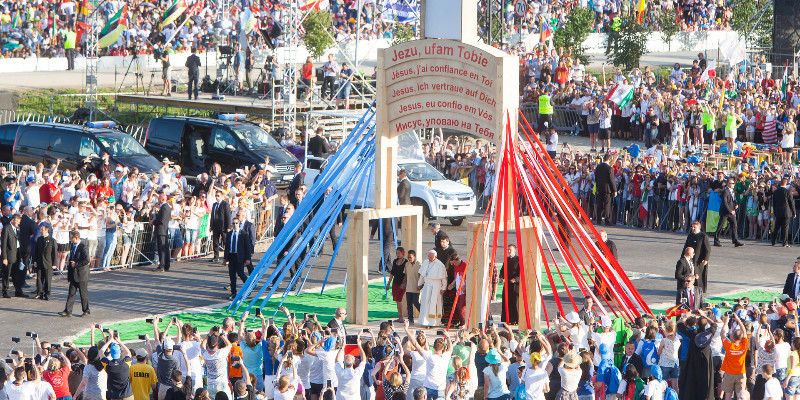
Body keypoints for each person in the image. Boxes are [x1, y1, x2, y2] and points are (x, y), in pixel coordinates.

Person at [59, 231, 90, 317]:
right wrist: (70, 262)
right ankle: (68, 310)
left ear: (76, 238)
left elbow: (86, 260)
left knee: (83, 293)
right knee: (71, 292)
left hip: (81, 274)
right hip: (73, 274)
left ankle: (86, 310)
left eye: (72, 238)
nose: (71, 240)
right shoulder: (73, 246)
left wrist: (76, 264)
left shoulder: (83, 247)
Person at [720, 313, 748, 400]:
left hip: (729, 373)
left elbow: (722, 334)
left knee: (728, 395)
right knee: (740, 396)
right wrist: (738, 320)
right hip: (740, 373)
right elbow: (744, 332)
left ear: (732, 336)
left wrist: (726, 321)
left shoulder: (729, 346)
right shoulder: (744, 345)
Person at [418, 249, 447, 328]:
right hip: (427, 286)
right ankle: (424, 321)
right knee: (425, 305)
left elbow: (444, 279)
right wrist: (419, 284)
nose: (429, 258)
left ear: (435, 257)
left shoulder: (440, 265)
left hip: (436, 287)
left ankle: (432, 323)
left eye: (431, 257)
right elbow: (422, 276)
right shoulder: (426, 262)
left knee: (433, 305)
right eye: (428, 256)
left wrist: (443, 288)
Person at [224, 218, 252, 300]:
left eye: (236, 223)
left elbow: (248, 247)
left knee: (241, 273)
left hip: (239, 257)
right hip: (231, 256)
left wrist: (248, 258)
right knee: (232, 275)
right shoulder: (229, 234)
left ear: (239, 224)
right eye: (233, 223)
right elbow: (227, 247)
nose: (235, 225)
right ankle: (233, 292)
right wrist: (225, 258)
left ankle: (248, 288)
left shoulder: (243, 234)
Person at [714, 178, 744, 247]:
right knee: (720, 226)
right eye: (732, 183)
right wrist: (730, 210)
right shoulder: (725, 191)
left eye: (734, 183)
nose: (733, 185)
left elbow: (734, 199)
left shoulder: (733, 191)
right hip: (725, 211)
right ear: (728, 184)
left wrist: (736, 204)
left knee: (734, 225)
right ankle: (716, 240)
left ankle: (735, 240)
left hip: (731, 211)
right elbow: (725, 202)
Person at [1, 214, 25, 298]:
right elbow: (3, 244)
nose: (18, 223)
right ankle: (5, 291)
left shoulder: (18, 229)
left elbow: (19, 242)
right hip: (9, 254)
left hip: (17, 254)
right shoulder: (7, 228)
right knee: (7, 273)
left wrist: (20, 256)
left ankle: (18, 290)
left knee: (17, 273)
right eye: (17, 221)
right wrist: (4, 257)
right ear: (13, 220)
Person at [683, 221, 711, 293]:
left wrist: (706, 259)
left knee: (699, 274)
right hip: (690, 258)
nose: (693, 228)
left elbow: (707, 248)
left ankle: (700, 289)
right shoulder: (690, 236)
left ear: (698, 228)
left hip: (699, 259)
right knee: (690, 273)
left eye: (694, 227)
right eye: (692, 227)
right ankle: (691, 288)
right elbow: (685, 247)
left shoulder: (703, 236)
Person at [33, 223, 57, 300]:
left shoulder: (52, 240)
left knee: (47, 279)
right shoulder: (39, 239)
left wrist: (54, 263)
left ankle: (47, 293)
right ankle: (39, 293)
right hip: (40, 262)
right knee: (39, 278)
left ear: (47, 231)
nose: (40, 231)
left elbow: (54, 253)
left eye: (42, 230)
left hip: (48, 263)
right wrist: (35, 261)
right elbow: (36, 251)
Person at [771, 177, 796, 247]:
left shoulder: (776, 192)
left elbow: (774, 202)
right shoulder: (788, 192)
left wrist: (774, 211)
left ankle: (773, 241)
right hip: (786, 212)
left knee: (776, 227)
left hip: (778, 212)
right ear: (786, 183)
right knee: (785, 228)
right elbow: (791, 203)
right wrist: (794, 212)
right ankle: (785, 243)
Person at [498, 245, 520, 325]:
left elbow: (521, 273)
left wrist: (516, 279)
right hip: (507, 284)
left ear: (515, 251)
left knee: (515, 302)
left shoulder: (518, 260)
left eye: (510, 250)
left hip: (515, 285)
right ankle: (507, 319)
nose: (509, 251)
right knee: (506, 301)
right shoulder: (506, 260)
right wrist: (501, 277)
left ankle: (516, 320)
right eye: (508, 250)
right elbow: (502, 270)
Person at [594, 153, 617, 226]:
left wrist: (597, 187)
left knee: (599, 204)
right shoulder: (609, 168)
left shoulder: (598, 167)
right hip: (607, 189)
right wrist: (615, 190)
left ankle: (599, 220)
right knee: (607, 205)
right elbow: (612, 180)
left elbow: (596, 179)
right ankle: (607, 220)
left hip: (600, 188)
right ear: (609, 159)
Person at [210, 190, 231, 263]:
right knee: (215, 242)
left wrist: (228, 226)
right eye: (216, 195)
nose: (217, 197)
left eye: (218, 196)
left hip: (223, 226)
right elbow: (212, 215)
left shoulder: (225, 204)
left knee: (226, 242)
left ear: (222, 196)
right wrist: (211, 225)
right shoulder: (214, 204)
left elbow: (228, 216)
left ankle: (228, 257)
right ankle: (216, 257)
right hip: (216, 226)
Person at [153, 192, 171, 272]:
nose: (158, 199)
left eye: (159, 198)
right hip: (163, 230)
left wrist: (153, 222)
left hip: (161, 230)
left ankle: (162, 265)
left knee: (162, 249)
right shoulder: (166, 207)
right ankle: (166, 265)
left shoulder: (164, 207)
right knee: (164, 248)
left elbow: (162, 220)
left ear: (163, 199)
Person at [404, 249, 422, 325]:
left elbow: (422, 276)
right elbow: (405, 275)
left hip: (416, 287)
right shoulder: (407, 264)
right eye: (408, 257)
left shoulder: (419, 265)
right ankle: (410, 319)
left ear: (414, 257)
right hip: (408, 287)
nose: (409, 259)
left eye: (411, 257)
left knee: (416, 302)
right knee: (409, 304)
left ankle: (423, 314)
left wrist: (421, 285)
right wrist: (403, 283)